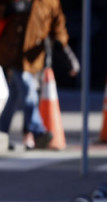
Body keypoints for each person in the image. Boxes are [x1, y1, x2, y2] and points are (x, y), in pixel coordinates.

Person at [0, 0, 79, 150]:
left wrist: (69, 58)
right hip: (10, 53)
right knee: (28, 90)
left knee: (15, 95)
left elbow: (58, 29)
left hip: (31, 58)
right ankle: (38, 131)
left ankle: (2, 131)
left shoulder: (51, 3)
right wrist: (8, 8)